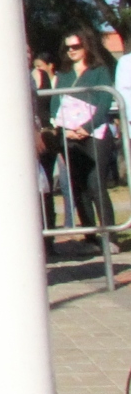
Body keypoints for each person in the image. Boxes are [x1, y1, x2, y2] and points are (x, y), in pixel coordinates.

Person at [56, 28, 118, 245]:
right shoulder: (63, 74)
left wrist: (88, 127)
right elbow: (56, 102)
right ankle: (91, 238)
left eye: (76, 46)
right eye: (68, 47)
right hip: (69, 134)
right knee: (79, 185)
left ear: (86, 46)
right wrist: (63, 129)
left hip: (95, 133)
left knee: (95, 183)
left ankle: (110, 235)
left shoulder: (99, 70)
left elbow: (104, 102)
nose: (71, 51)